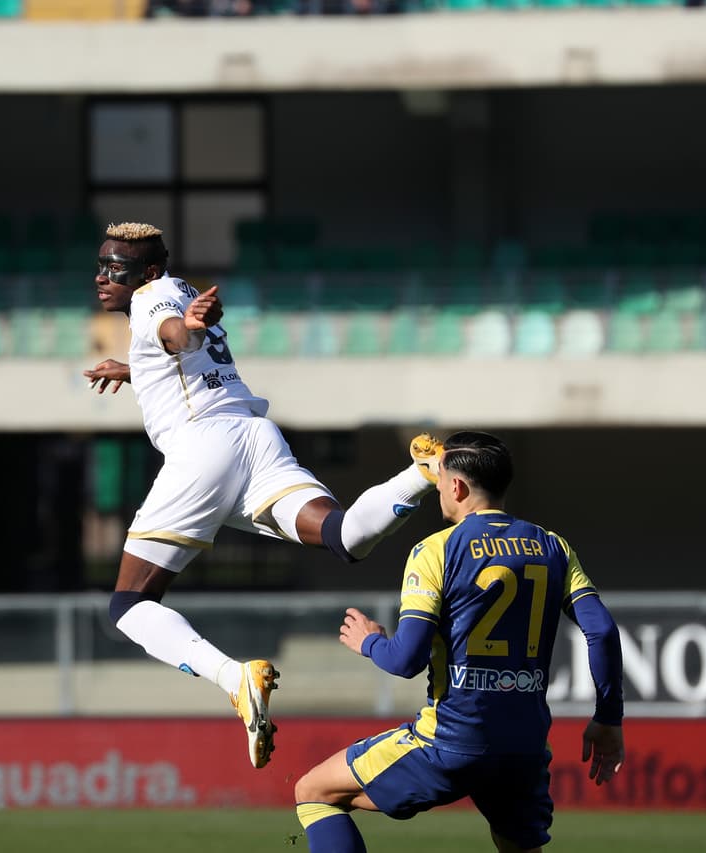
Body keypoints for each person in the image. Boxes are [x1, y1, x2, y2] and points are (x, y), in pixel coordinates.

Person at [82, 222, 444, 769]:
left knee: (130, 605)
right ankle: (421, 473)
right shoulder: (172, 290)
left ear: (148, 273)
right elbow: (182, 354)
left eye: (116, 269)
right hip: (253, 435)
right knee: (342, 534)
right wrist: (135, 370)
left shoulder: (152, 298)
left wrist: (190, 329)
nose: (103, 277)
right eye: (102, 265)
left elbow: (178, 336)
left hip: (201, 447)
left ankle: (234, 677)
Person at [292, 430, 625, 852]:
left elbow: (406, 660)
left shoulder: (436, 551)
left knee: (315, 792)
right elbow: (602, 631)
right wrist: (609, 719)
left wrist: (370, 642)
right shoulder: (553, 546)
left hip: (450, 742)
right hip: (523, 747)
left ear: (457, 486)